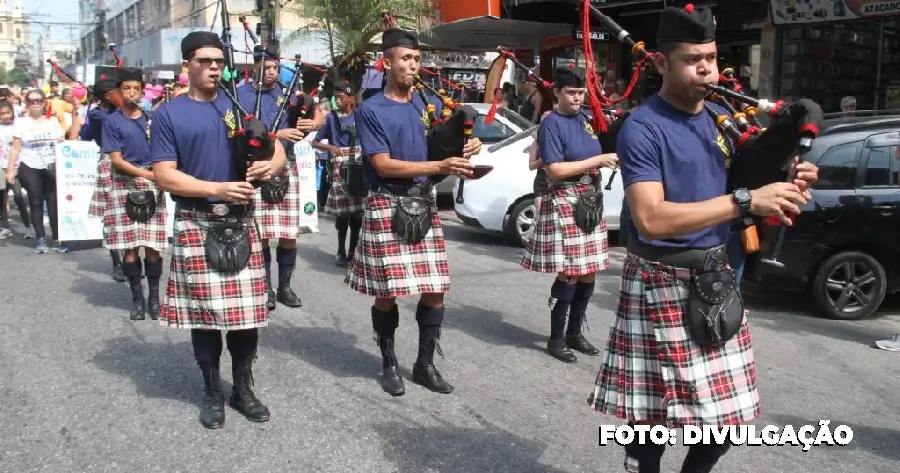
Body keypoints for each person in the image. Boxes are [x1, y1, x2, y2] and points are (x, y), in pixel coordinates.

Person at [588, 5, 820, 473]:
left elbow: (750, 172)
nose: (706, 69)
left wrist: (793, 173)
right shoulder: (642, 127)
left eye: (711, 58)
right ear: (661, 64)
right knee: (650, 419)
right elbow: (651, 219)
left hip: (716, 277)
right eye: (693, 59)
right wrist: (747, 201)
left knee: (725, 423)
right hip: (659, 281)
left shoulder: (721, 117)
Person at [149, 31, 286, 429]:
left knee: (246, 316)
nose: (214, 68)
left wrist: (270, 165)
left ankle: (242, 388)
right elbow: (165, 176)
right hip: (197, 218)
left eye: (219, 61)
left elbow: (275, 147)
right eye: (205, 61)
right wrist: (216, 188)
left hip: (241, 219)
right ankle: (211, 389)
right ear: (186, 66)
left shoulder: (241, 105)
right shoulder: (168, 114)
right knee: (205, 316)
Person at [349, 27, 482, 396]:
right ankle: (389, 362)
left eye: (417, 59)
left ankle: (424, 365)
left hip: (423, 202)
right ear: (387, 61)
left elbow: (446, 144)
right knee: (387, 291)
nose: (413, 65)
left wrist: (468, 146)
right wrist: (439, 168)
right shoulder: (370, 110)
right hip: (387, 202)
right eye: (406, 58)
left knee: (435, 289)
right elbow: (384, 164)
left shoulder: (430, 104)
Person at [520, 68, 618, 363]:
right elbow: (554, 169)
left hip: (590, 199)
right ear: (557, 93)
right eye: (571, 93)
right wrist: (598, 160)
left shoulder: (586, 120)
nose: (577, 98)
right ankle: (557, 337)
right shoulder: (552, 124)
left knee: (588, 271)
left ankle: (575, 333)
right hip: (565, 198)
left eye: (581, 93)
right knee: (571, 272)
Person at [236, 43, 304, 310]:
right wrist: (277, 135)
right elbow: (239, 132)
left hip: (286, 166)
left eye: (276, 67)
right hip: (256, 166)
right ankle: (265, 288)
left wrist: (312, 122)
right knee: (261, 233)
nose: (272, 73)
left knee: (288, 234)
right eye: (267, 67)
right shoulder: (239, 95)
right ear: (255, 67)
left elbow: (312, 121)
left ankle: (285, 286)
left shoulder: (289, 96)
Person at [101, 67, 169, 321]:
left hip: (152, 186)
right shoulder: (112, 121)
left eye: (136, 89)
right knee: (130, 248)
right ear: (119, 91)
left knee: (153, 247)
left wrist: (158, 175)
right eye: (127, 88)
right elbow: (116, 160)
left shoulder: (152, 118)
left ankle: (153, 297)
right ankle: (136, 299)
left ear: (143, 91)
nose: (131, 93)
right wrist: (148, 175)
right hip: (126, 185)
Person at [4, 89, 66, 253]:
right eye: (32, 101)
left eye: (39, 100)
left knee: (53, 204)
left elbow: (62, 143)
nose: (36, 103)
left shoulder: (52, 121)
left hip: (50, 165)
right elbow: (16, 148)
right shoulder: (21, 122)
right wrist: (10, 169)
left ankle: (58, 239)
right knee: (36, 201)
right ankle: (40, 238)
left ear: (44, 102)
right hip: (29, 165)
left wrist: (60, 140)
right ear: (27, 103)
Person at [313, 80, 365, 267]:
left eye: (340, 98)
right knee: (342, 214)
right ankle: (341, 250)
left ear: (351, 99)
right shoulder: (332, 118)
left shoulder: (361, 116)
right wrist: (330, 146)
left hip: (358, 163)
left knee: (358, 213)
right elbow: (315, 142)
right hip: (339, 165)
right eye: (335, 98)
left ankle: (353, 250)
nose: (337, 102)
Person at [87, 79, 127, 282]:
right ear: (107, 96)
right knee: (111, 214)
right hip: (109, 162)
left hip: (130, 160)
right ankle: (116, 262)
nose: (123, 95)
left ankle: (131, 258)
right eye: (118, 92)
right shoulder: (97, 114)